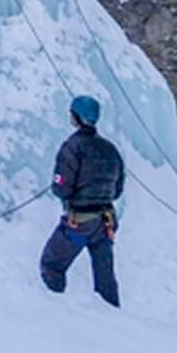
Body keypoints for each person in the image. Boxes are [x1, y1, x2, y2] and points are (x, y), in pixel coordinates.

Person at [39, 95, 125, 308]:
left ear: (76, 117)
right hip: (105, 223)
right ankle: (116, 324)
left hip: (79, 222)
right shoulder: (110, 149)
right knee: (105, 280)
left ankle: (55, 314)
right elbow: (117, 190)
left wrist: (60, 187)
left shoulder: (73, 147)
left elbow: (62, 187)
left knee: (52, 265)